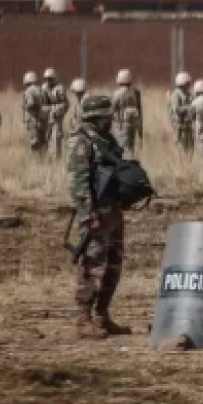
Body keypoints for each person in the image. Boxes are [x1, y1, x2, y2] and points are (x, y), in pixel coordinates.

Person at [67, 95, 132, 339]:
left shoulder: (106, 140)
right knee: (92, 265)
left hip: (112, 210)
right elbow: (79, 183)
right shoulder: (82, 142)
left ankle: (102, 315)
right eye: (107, 116)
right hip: (95, 214)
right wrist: (88, 215)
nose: (110, 120)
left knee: (113, 264)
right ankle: (83, 320)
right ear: (97, 117)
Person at [111, 69, 143, 159]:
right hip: (133, 125)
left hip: (120, 126)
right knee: (131, 148)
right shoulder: (136, 93)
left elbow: (112, 109)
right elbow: (139, 111)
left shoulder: (117, 94)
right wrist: (140, 130)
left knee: (122, 149)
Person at [42, 68, 69, 159]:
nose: (48, 81)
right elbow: (42, 103)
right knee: (46, 137)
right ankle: (48, 158)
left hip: (56, 117)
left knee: (56, 137)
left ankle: (56, 158)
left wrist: (56, 110)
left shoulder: (59, 88)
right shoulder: (44, 88)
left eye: (50, 79)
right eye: (46, 79)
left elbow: (65, 104)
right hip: (46, 117)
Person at [21, 71, 47, 157]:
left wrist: (24, 106)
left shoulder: (29, 91)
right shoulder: (41, 90)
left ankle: (36, 161)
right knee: (42, 142)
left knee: (34, 143)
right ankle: (44, 160)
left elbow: (31, 104)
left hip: (32, 120)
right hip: (42, 119)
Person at [169, 72, 194, 153]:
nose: (189, 85)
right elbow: (176, 109)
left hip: (187, 124)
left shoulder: (188, 94)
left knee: (190, 146)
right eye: (187, 83)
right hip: (179, 124)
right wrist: (188, 108)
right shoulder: (176, 94)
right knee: (180, 145)